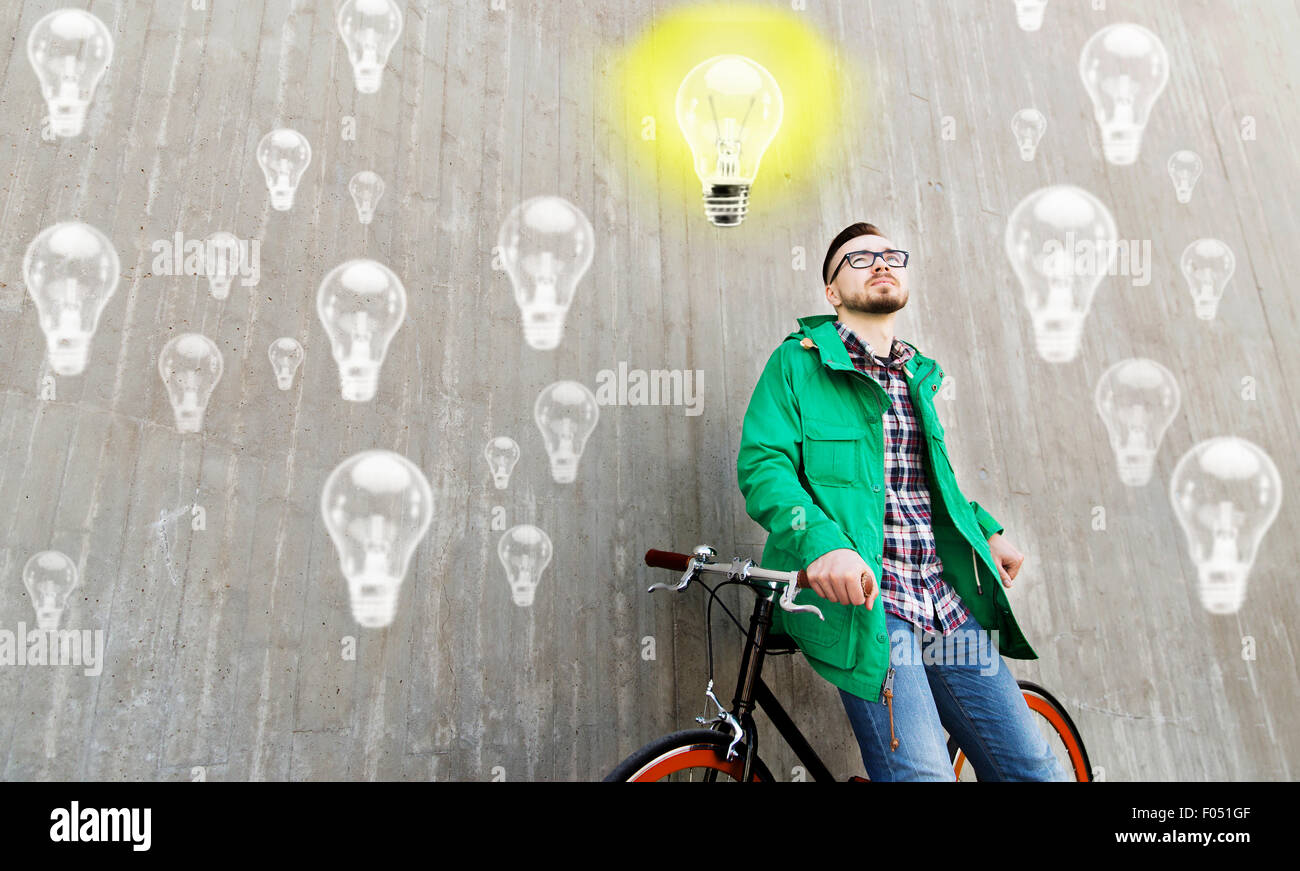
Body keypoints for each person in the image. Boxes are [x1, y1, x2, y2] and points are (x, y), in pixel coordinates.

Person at [736, 221, 1070, 781]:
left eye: (891, 255)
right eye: (859, 258)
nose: (881, 262)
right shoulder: (797, 363)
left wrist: (984, 529)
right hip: (873, 606)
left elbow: (928, 484)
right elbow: (764, 468)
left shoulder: (918, 375)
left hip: (943, 603)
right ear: (832, 292)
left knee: (1035, 771)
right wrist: (823, 547)